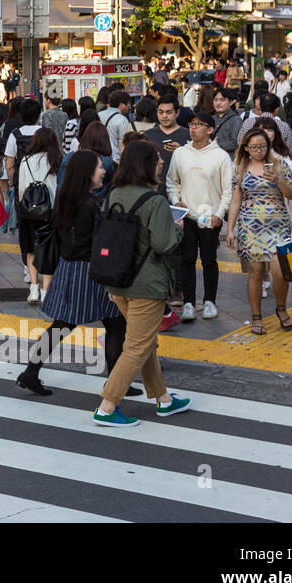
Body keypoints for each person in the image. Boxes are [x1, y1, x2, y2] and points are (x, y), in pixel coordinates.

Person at [92, 141, 192, 426]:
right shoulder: (155, 201)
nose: (161, 162)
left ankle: (164, 399)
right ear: (146, 165)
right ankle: (107, 407)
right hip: (146, 285)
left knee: (144, 342)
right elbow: (163, 244)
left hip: (119, 281)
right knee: (136, 346)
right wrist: (177, 228)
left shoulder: (114, 194)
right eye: (158, 159)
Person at [15, 150, 130, 397]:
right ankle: (115, 383)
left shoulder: (68, 198)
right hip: (90, 270)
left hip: (70, 268)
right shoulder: (89, 204)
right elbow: (98, 241)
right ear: (87, 173)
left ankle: (31, 372)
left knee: (63, 325)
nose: (103, 171)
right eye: (100, 167)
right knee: (114, 322)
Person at [225, 128, 292, 336]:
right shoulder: (239, 168)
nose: (259, 151)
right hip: (250, 226)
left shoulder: (280, 165)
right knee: (255, 274)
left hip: (278, 225)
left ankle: (281, 309)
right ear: (246, 148)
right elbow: (236, 200)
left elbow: (291, 194)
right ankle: (256, 317)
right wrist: (230, 229)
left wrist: (278, 180)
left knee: (280, 272)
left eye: (263, 146)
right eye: (254, 147)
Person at [166, 112, 231, 321]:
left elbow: (228, 190)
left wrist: (219, 215)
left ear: (210, 130)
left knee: (209, 259)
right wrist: (176, 201)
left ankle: (210, 301)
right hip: (187, 217)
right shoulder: (181, 153)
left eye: (198, 125)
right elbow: (171, 181)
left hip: (210, 217)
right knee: (187, 259)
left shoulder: (220, 156)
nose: (193, 128)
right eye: (191, 124)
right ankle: (188, 304)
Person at [16, 128, 62, 303]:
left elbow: (21, 189)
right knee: (48, 251)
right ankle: (46, 291)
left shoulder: (26, 160)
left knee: (30, 250)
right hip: (49, 212)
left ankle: (33, 289)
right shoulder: (56, 161)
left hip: (29, 212)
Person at [146, 95, 190, 189]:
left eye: (169, 112)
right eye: (160, 112)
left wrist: (181, 151)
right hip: (154, 187)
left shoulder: (189, 135)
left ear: (177, 113)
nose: (164, 116)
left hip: (182, 186)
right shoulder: (148, 135)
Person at [98, 91, 133, 160]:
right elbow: (123, 142)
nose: (129, 105)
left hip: (100, 158)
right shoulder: (122, 120)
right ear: (121, 105)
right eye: (128, 103)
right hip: (116, 159)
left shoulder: (99, 114)